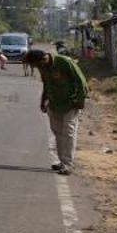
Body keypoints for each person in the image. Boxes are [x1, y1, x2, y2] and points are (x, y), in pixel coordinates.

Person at [24, 46, 88, 175]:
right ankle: (62, 161)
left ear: (43, 59)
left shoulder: (64, 62)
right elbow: (46, 84)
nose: (36, 68)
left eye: (36, 65)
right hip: (54, 104)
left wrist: (80, 100)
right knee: (57, 132)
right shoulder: (42, 67)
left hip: (71, 103)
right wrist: (43, 101)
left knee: (68, 131)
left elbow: (81, 82)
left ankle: (68, 164)